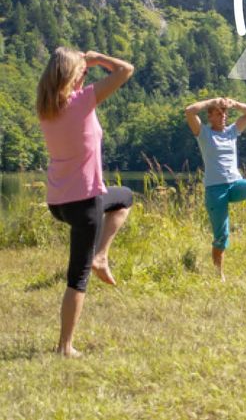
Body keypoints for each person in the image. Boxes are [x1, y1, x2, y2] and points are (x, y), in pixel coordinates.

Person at [37, 47, 135, 358]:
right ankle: (65, 346)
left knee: (123, 197)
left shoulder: (46, 108)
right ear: (73, 74)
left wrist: (81, 67)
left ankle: (101, 256)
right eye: (83, 71)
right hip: (84, 201)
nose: (87, 74)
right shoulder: (82, 101)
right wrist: (98, 59)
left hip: (58, 202)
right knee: (77, 279)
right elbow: (125, 70)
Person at [185, 96, 246, 280]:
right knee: (221, 236)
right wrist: (212, 102)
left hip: (234, 184)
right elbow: (189, 111)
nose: (223, 116)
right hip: (215, 189)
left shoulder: (232, 132)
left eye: (224, 113)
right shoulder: (204, 133)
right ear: (210, 117)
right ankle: (219, 275)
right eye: (218, 113)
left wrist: (235, 104)